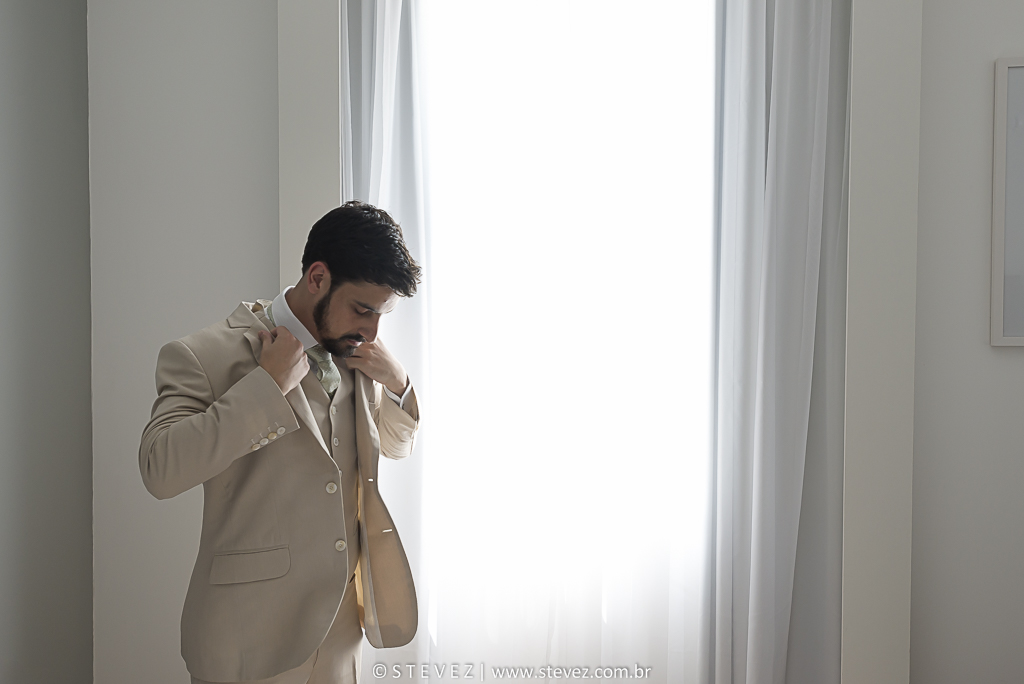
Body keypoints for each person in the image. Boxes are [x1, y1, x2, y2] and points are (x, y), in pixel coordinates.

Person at [139, 201, 422, 684]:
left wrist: (399, 385)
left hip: (341, 639)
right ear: (317, 277)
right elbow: (160, 470)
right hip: (247, 641)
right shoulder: (202, 355)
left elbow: (394, 448)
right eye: (363, 309)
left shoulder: (357, 351)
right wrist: (266, 388)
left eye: (382, 314)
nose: (372, 330)